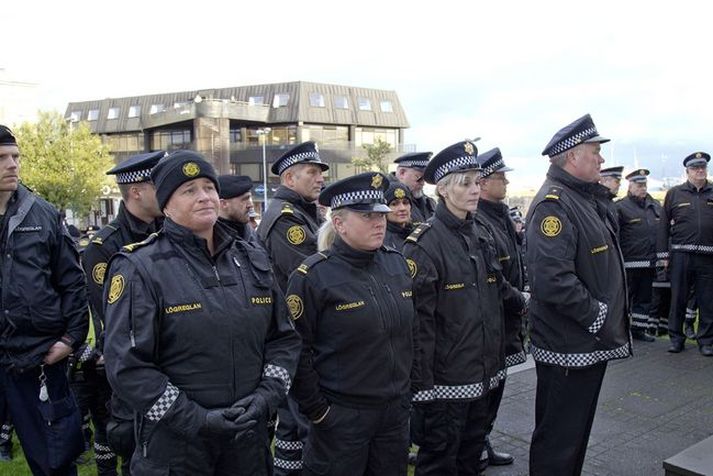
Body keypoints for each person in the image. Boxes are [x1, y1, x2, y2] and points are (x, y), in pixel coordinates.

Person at [103, 150, 300, 475]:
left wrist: (266, 397)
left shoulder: (252, 259)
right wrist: (196, 419)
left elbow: (284, 340)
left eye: (209, 187)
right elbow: (128, 367)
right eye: (189, 190)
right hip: (178, 447)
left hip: (247, 440)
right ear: (166, 204)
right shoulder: (140, 268)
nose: (204, 197)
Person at [403, 140, 525, 476]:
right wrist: (422, 389)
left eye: (477, 181)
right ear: (442, 189)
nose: (475, 189)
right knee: (440, 462)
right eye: (466, 183)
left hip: (484, 372)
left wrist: (527, 303)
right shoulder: (425, 245)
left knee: (471, 458)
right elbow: (419, 325)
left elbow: (497, 288)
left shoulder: (479, 235)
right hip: (446, 382)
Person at [287, 172, 414, 476]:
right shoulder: (314, 277)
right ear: (340, 223)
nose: (379, 221)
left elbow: (413, 332)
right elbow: (295, 351)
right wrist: (319, 411)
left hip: (393, 413)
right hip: (342, 417)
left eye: (381, 213)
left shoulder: (396, 263)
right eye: (367, 215)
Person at [525, 114, 632, 475]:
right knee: (559, 440)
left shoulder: (579, 198)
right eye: (595, 151)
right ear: (572, 157)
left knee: (574, 437)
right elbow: (552, 280)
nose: (601, 160)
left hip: (583, 343)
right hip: (569, 344)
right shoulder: (554, 204)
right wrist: (598, 316)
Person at [0, 124, 88, 475]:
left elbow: (73, 282)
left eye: (15, 157)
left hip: (37, 356)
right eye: (2, 158)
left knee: (54, 459)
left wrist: (70, 339)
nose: (12, 165)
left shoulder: (43, 214)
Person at [80, 150, 165, 475]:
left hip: (172, 355)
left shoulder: (170, 230)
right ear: (135, 191)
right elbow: (112, 312)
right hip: (132, 360)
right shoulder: (105, 246)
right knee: (131, 444)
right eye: (158, 184)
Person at [256, 141, 329, 474]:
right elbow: (312, 276)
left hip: (293, 333)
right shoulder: (287, 220)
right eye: (312, 173)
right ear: (289, 178)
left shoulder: (299, 212)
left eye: (320, 173)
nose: (320, 180)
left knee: (292, 421)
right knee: (306, 420)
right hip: (297, 333)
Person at [475, 148, 527, 470]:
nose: (506, 181)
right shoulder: (480, 219)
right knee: (486, 390)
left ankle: (483, 440)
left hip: (506, 319)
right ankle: (477, 446)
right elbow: (493, 276)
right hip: (493, 319)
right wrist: (521, 299)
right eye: (499, 177)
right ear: (482, 183)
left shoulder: (500, 213)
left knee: (497, 386)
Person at [656, 152, 713, 356]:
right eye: (695, 168)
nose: (700, 171)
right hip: (680, 256)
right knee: (678, 299)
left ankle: (706, 341)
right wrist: (663, 255)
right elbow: (663, 226)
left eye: (703, 167)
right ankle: (676, 338)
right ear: (687, 171)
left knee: (707, 301)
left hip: (708, 257)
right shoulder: (674, 193)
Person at [615, 169, 661, 342]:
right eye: (639, 185)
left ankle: (639, 330)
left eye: (645, 185)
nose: (643, 188)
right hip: (629, 263)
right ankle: (621, 331)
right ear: (630, 186)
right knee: (625, 299)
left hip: (649, 262)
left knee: (644, 299)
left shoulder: (655, 205)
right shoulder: (621, 207)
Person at [217, 174, 261, 246]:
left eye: (250, 198)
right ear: (223, 204)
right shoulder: (213, 240)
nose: (250, 205)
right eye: (244, 199)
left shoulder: (250, 234)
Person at [393, 152, 435, 224]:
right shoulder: (385, 196)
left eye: (424, 179)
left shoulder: (426, 201)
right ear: (402, 173)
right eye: (418, 178)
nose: (423, 183)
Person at [383, 181, 413, 251]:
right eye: (394, 204)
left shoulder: (416, 233)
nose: (402, 208)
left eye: (405, 203)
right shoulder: (380, 240)